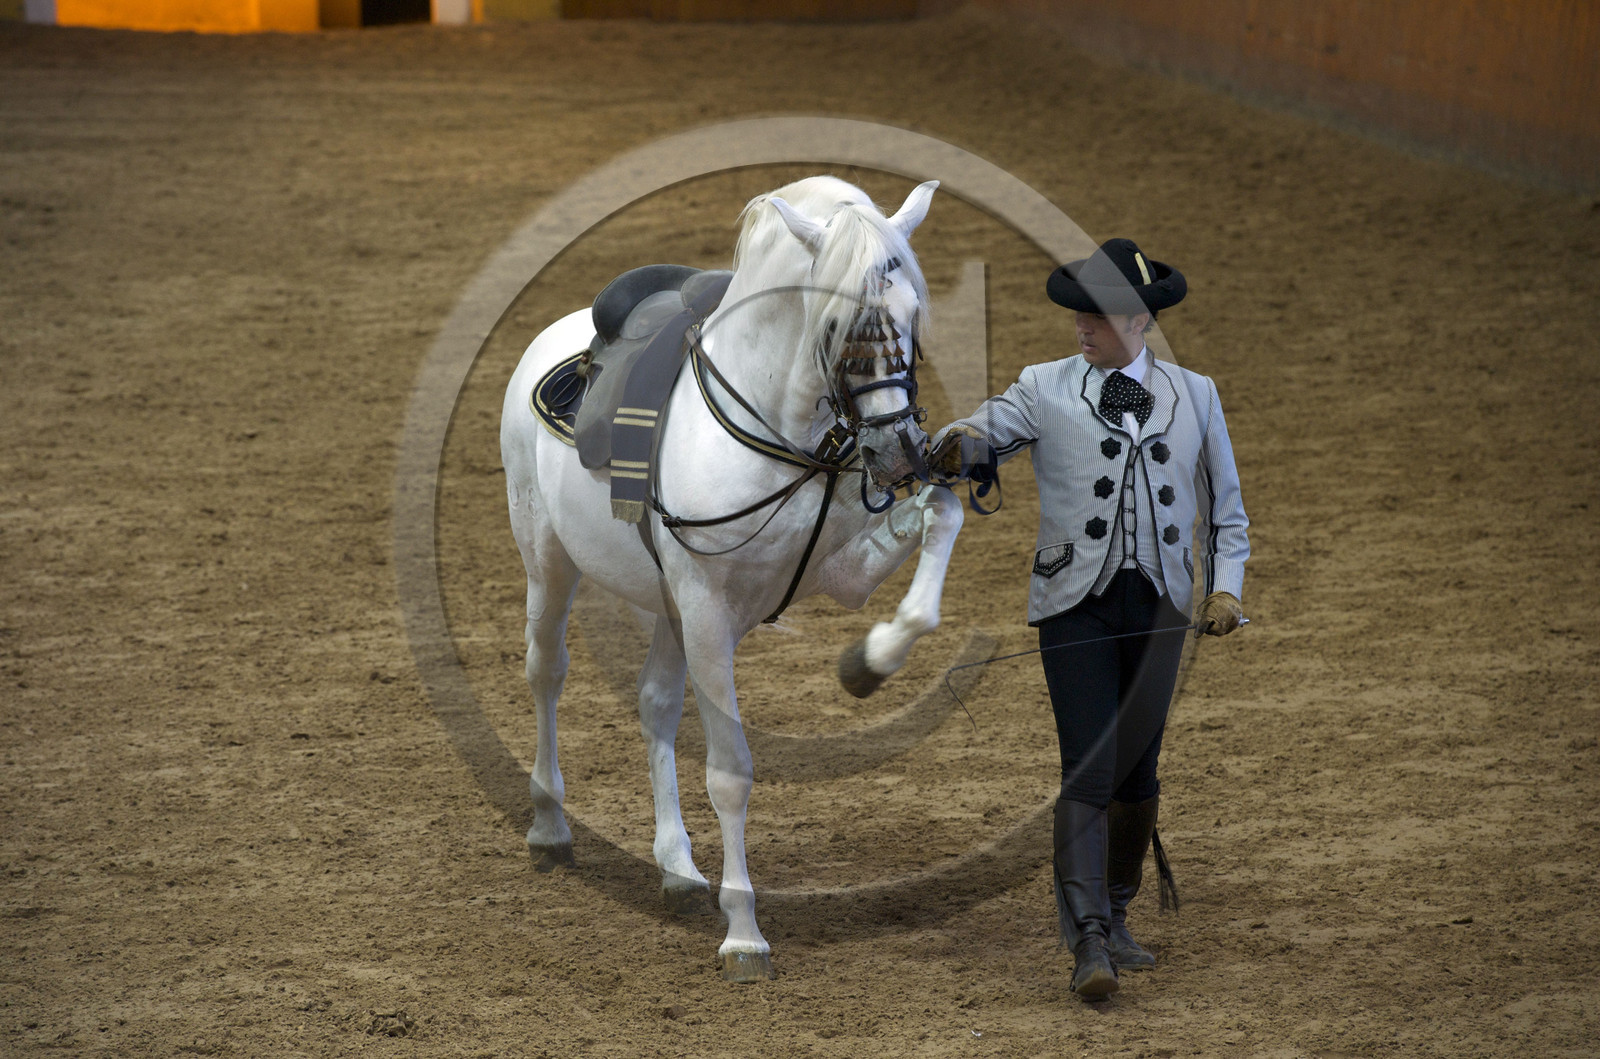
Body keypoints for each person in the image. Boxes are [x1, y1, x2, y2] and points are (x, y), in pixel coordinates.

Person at [932, 238, 1249, 1000]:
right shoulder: (1043, 387)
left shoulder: (1196, 394)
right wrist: (953, 446)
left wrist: (1227, 589)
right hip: (1075, 603)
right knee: (1091, 765)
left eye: (1097, 317)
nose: (1080, 326)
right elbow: (984, 431)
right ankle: (1088, 940)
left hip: (1163, 606)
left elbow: (1226, 514)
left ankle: (1117, 909)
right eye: (1076, 314)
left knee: (1139, 773)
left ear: (1140, 319)